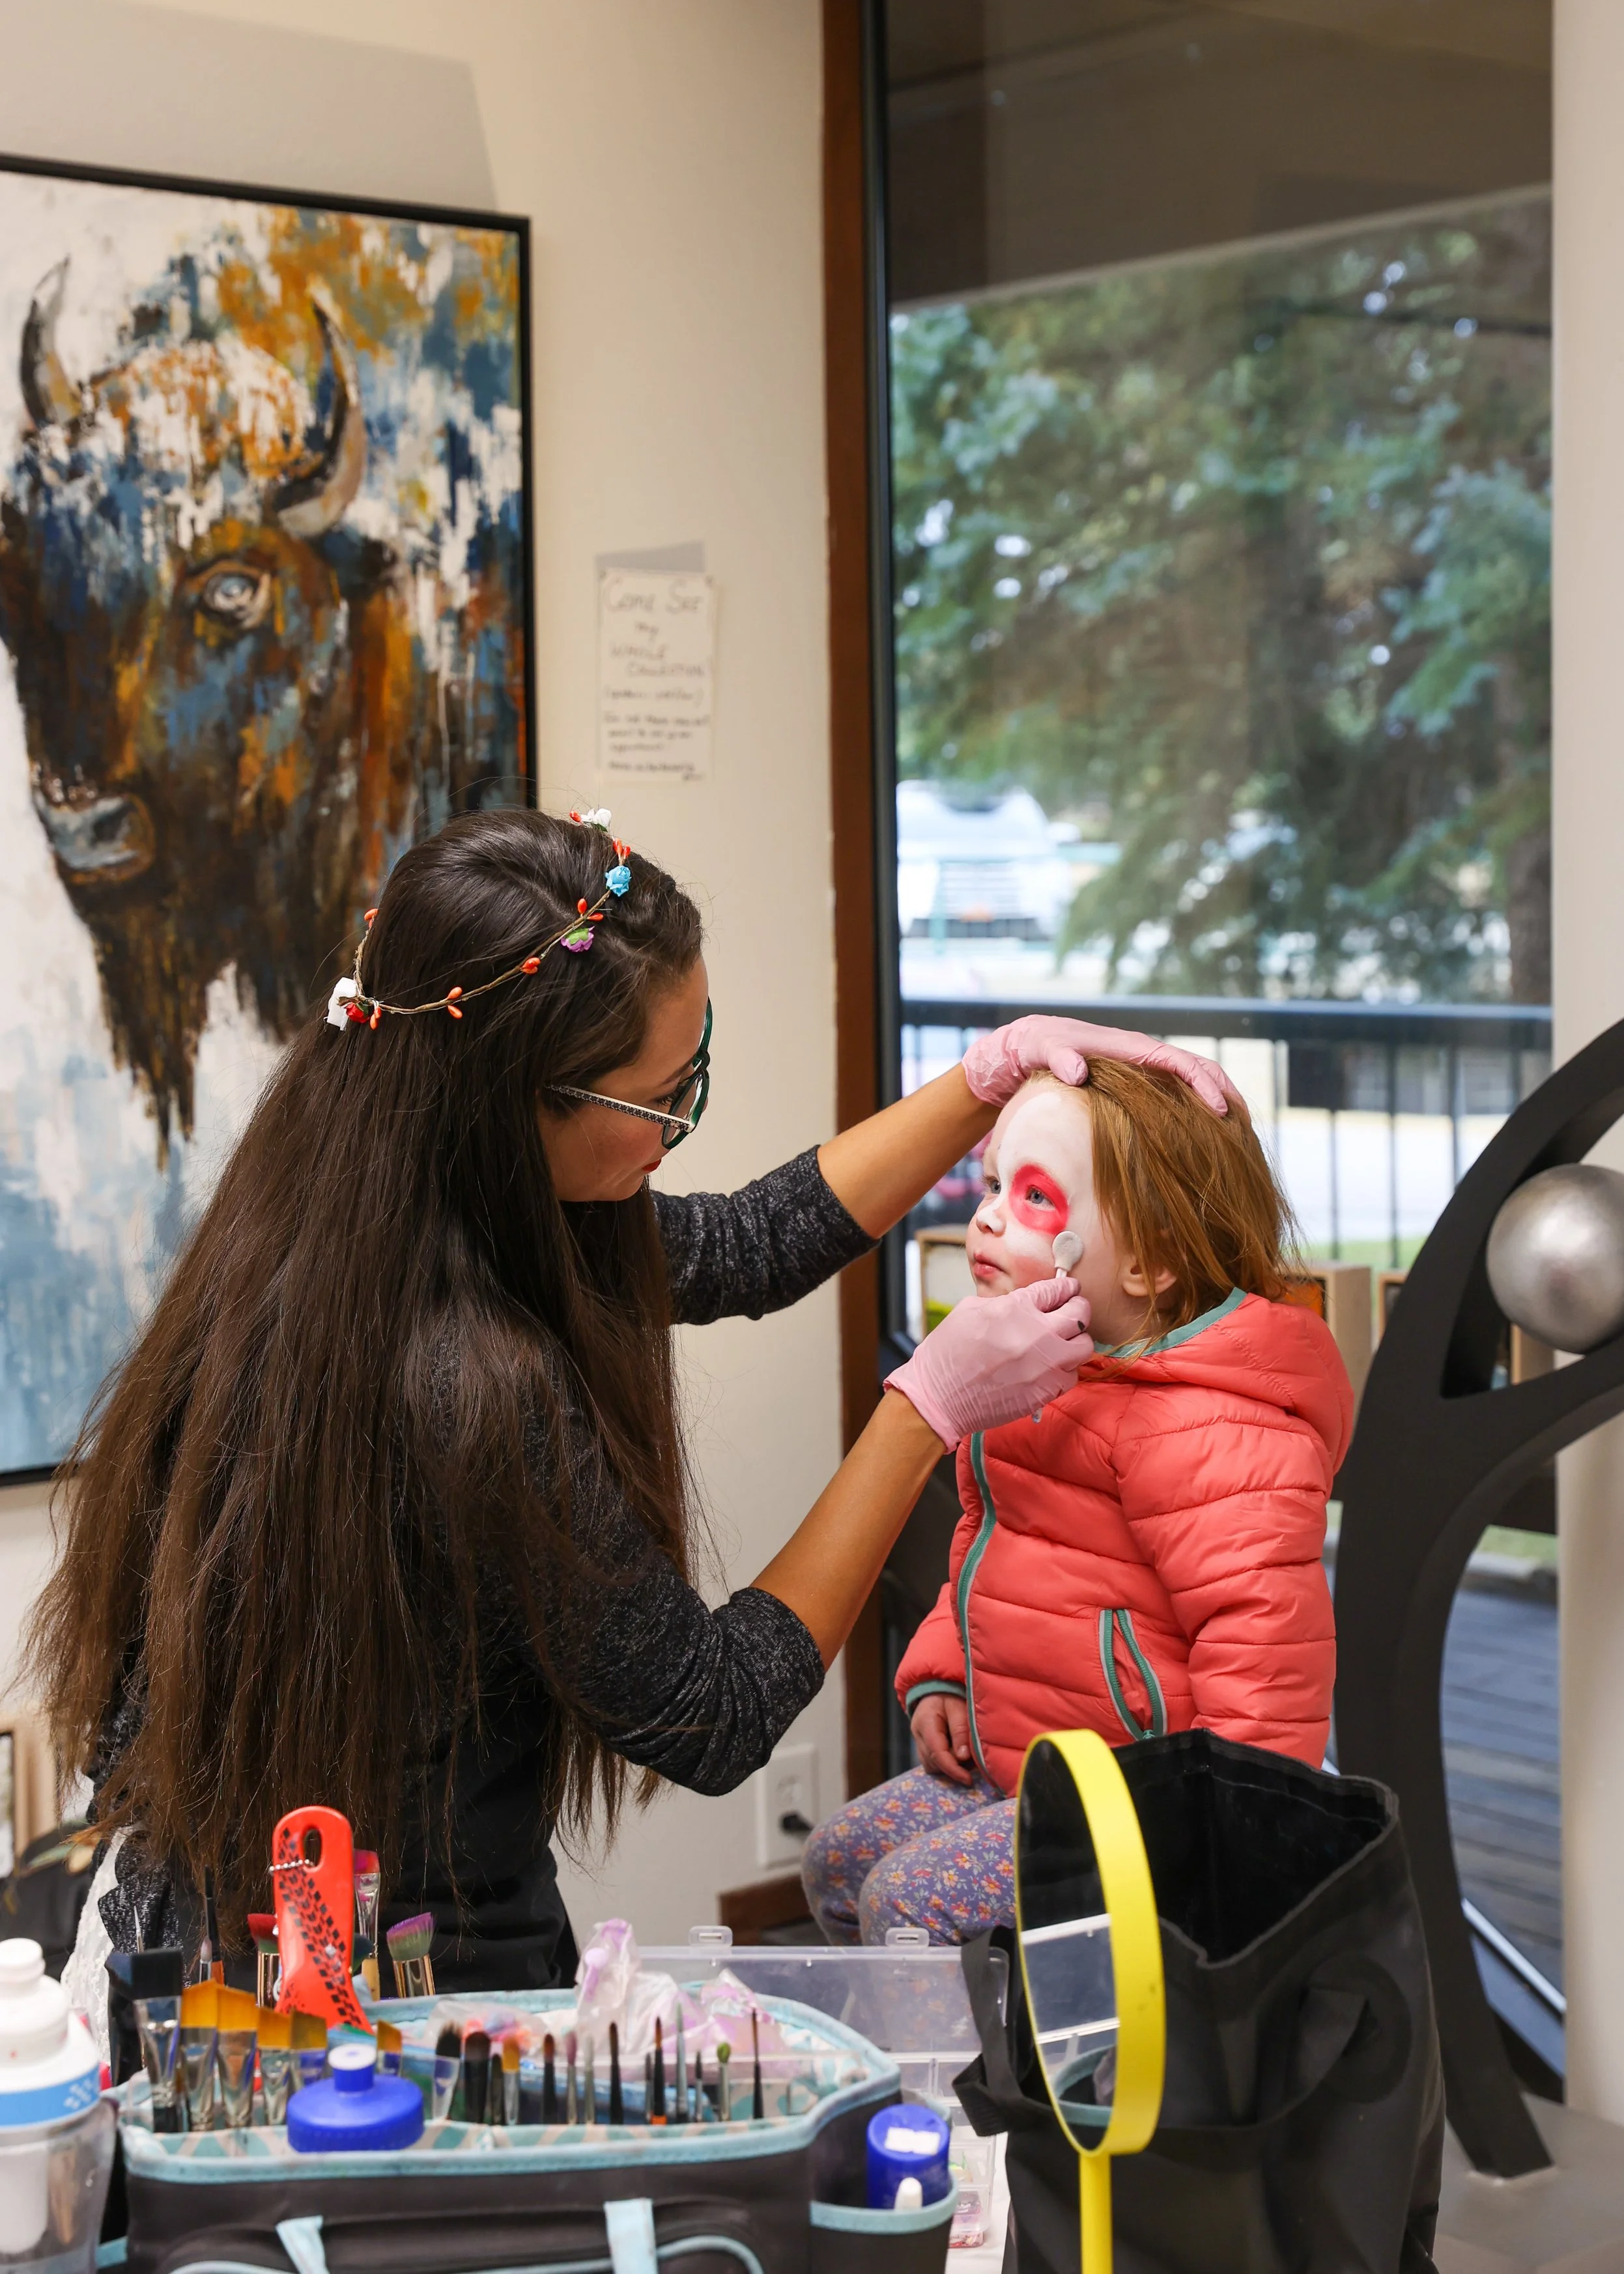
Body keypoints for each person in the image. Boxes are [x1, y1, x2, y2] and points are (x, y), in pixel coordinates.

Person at [31, 807, 1231, 2030]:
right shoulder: (464, 1376)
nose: (681, 1123)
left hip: (337, 1899)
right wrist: (924, 1409)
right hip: (359, 1984)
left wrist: (987, 1079)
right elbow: (707, 1712)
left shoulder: (375, 1195)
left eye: (694, 1068)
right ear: (518, 1097)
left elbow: (753, 1243)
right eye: (663, 1101)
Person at [801, 1058, 1352, 1947]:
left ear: (1152, 1263)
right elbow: (991, 1539)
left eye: (1034, 1198)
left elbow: (1267, 1662)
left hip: (1150, 1808)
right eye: (990, 1185)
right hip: (1027, 1759)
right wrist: (944, 1670)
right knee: (838, 1864)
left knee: (908, 1905)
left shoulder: (1210, 1429)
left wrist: (1225, 1836)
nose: (983, 1217)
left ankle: (965, 2084)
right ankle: (985, 2044)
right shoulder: (1035, 1373)